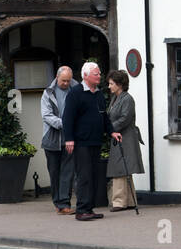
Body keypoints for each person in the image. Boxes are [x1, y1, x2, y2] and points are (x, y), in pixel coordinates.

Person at [63, 61, 109, 221]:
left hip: (95, 141)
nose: (99, 76)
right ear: (86, 76)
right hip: (81, 142)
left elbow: (104, 116)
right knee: (84, 176)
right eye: (96, 74)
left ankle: (89, 208)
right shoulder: (75, 93)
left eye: (99, 73)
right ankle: (81, 210)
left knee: (94, 175)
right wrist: (69, 139)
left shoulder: (98, 94)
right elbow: (67, 118)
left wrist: (112, 131)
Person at [105, 70, 144, 212]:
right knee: (123, 169)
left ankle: (119, 202)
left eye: (111, 84)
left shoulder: (127, 99)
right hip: (119, 136)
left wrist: (109, 128)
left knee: (120, 168)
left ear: (120, 84)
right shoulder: (116, 98)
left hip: (125, 137)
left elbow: (125, 118)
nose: (109, 86)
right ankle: (128, 200)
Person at [40, 65, 74, 215]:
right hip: (52, 139)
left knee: (68, 172)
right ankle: (58, 202)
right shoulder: (48, 93)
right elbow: (46, 115)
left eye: (68, 81)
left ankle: (64, 203)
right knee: (54, 172)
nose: (66, 84)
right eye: (63, 81)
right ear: (57, 77)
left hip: (71, 138)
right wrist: (65, 123)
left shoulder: (76, 90)